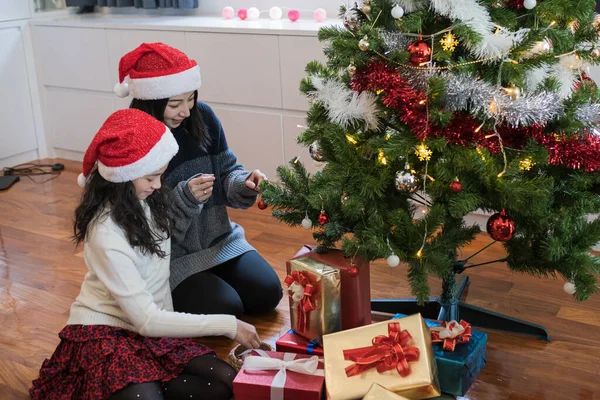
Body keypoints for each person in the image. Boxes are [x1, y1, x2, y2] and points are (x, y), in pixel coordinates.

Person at [30, 109, 260, 400]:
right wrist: (229, 325)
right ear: (123, 177)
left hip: (152, 330)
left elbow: (155, 293)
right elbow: (147, 320)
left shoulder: (148, 198)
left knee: (228, 383)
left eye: (160, 175)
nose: (158, 184)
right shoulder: (104, 232)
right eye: (151, 177)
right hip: (106, 332)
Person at [115, 42, 283, 318]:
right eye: (175, 104)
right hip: (170, 259)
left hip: (219, 241)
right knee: (228, 310)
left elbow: (227, 171)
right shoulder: (135, 139)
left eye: (190, 98)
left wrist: (244, 182)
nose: (186, 110)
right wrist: (185, 198)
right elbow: (140, 223)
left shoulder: (202, 116)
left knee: (267, 293)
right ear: (151, 100)